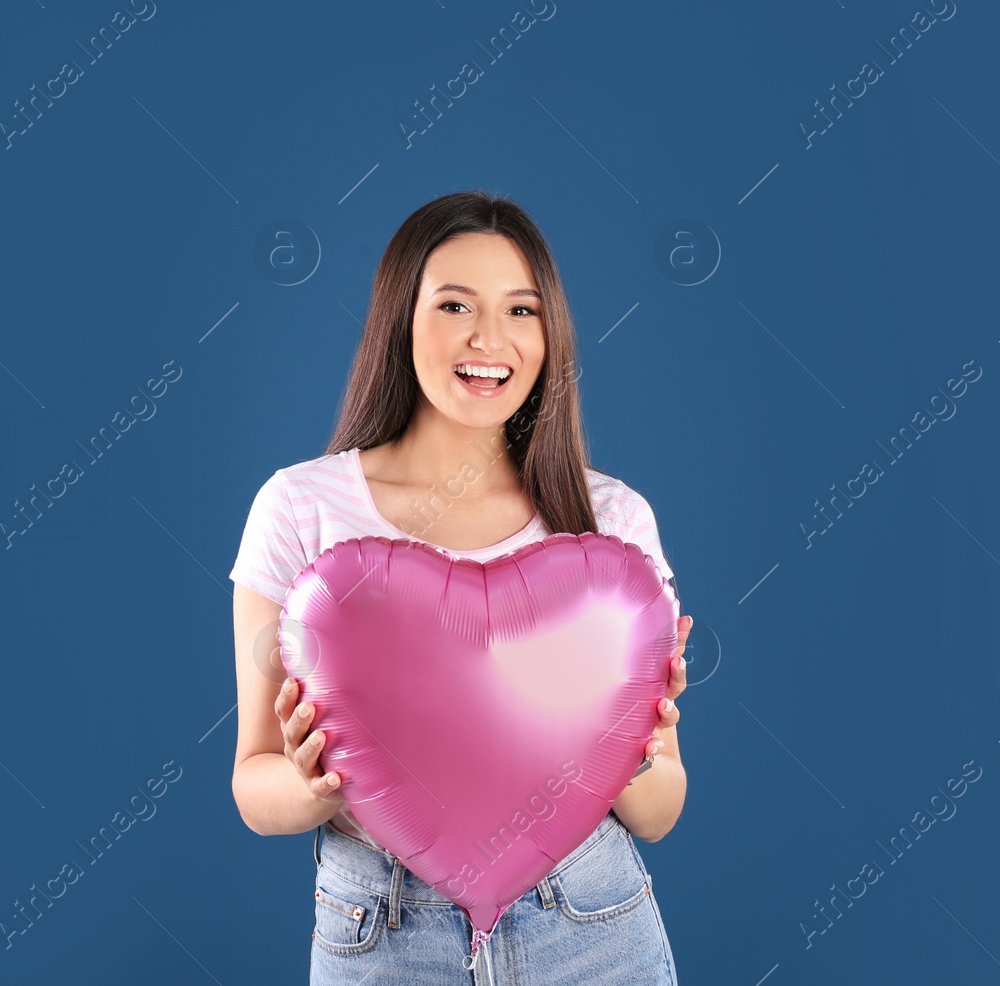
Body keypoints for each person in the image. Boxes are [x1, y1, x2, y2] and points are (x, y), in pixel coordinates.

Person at [229, 190, 691, 984]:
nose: (490, 339)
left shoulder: (611, 520)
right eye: (454, 305)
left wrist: (637, 747)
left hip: (590, 925)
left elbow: (660, 811)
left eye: (522, 309)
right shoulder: (300, 507)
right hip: (383, 930)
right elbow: (252, 780)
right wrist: (311, 786)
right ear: (399, 318)